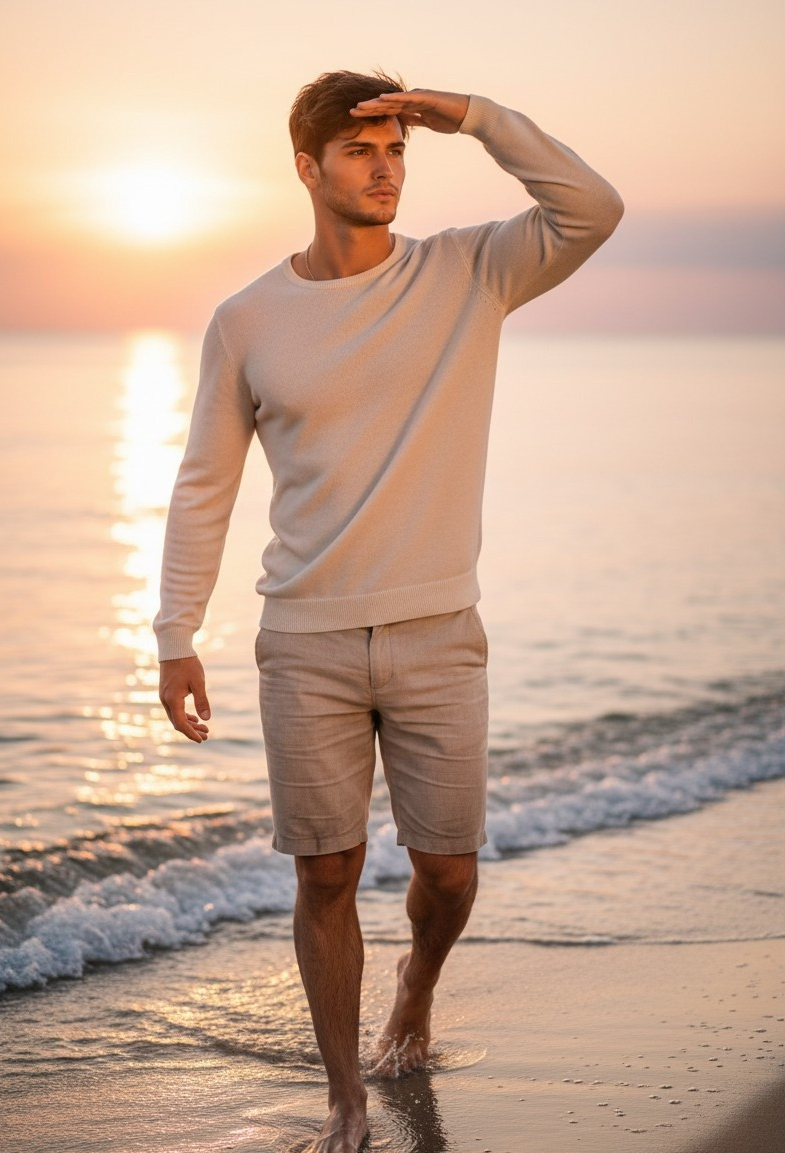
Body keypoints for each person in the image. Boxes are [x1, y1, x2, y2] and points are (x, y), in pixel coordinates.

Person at [154, 70, 623, 1153]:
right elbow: (203, 485)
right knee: (324, 869)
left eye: (400, 149)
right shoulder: (247, 321)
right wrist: (175, 632)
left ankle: (415, 984)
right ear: (308, 167)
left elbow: (592, 207)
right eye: (363, 151)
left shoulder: (468, 272)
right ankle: (344, 1095)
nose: (387, 169)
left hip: (437, 634)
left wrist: (473, 115)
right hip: (304, 641)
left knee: (447, 869)